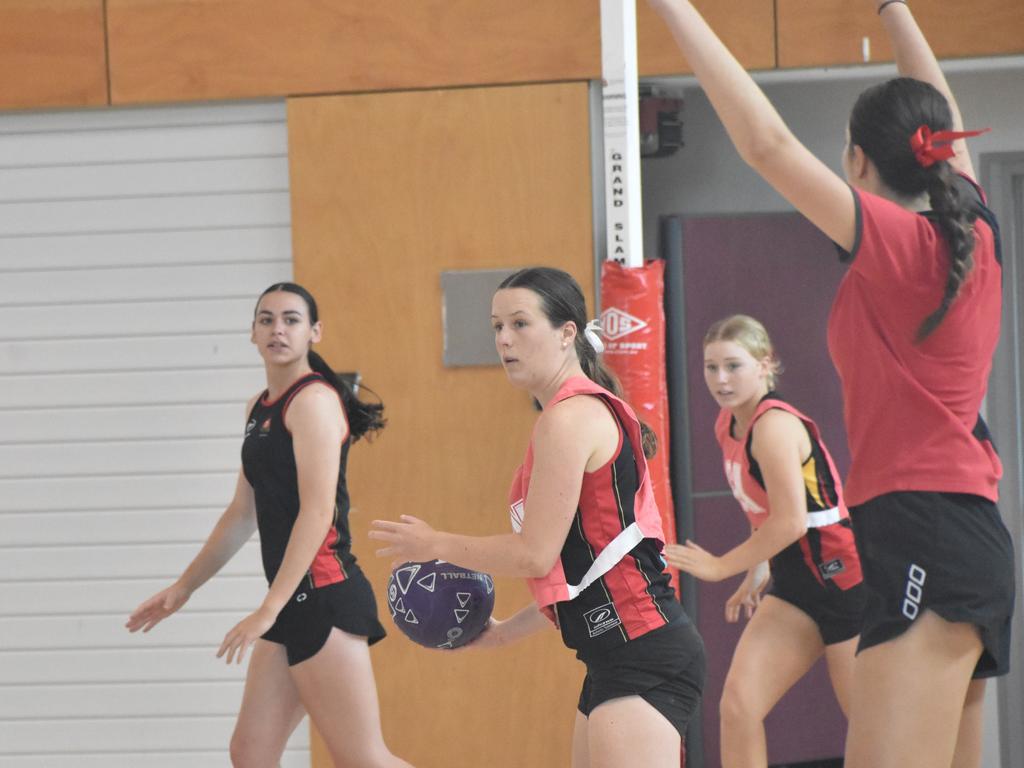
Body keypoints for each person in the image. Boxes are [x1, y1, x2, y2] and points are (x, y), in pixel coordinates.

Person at [648, 1, 1015, 767]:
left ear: (856, 162)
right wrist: (895, 9)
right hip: (952, 530)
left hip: (924, 530)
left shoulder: (900, 242)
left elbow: (765, 141)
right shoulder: (972, 230)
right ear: (941, 157)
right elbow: (939, 108)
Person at [370, 267, 705, 768]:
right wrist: (506, 631)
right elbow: (581, 568)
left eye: (520, 324)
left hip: (642, 651)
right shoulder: (566, 417)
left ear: (567, 332)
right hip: (612, 653)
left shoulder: (569, 419)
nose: (504, 339)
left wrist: (435, 543)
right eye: (496, 326)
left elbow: (534, 552)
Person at [126, 282, 412, 768]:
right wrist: (184, 587)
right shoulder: (259, 408)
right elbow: (242, 513)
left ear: (314, 332)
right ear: (253, 333)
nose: (277, 328)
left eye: (291, 319)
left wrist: (267, 608)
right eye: (266, 319)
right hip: (292, 602)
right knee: (251, 752)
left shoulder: (315, 402)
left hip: (324, 597)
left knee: (363, 759)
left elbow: (317, 513)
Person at [665, 314, 863, 767]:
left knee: (871, 727)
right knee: (738, 706)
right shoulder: (728, 425)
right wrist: (760, 567)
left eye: (733, 366)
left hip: (845, 583)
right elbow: (763, 511)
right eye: (711, 367)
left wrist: (720, 566)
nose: (720, 379)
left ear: (765, 364)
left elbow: (792, 521)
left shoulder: (773, 427)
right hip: (796, 584)